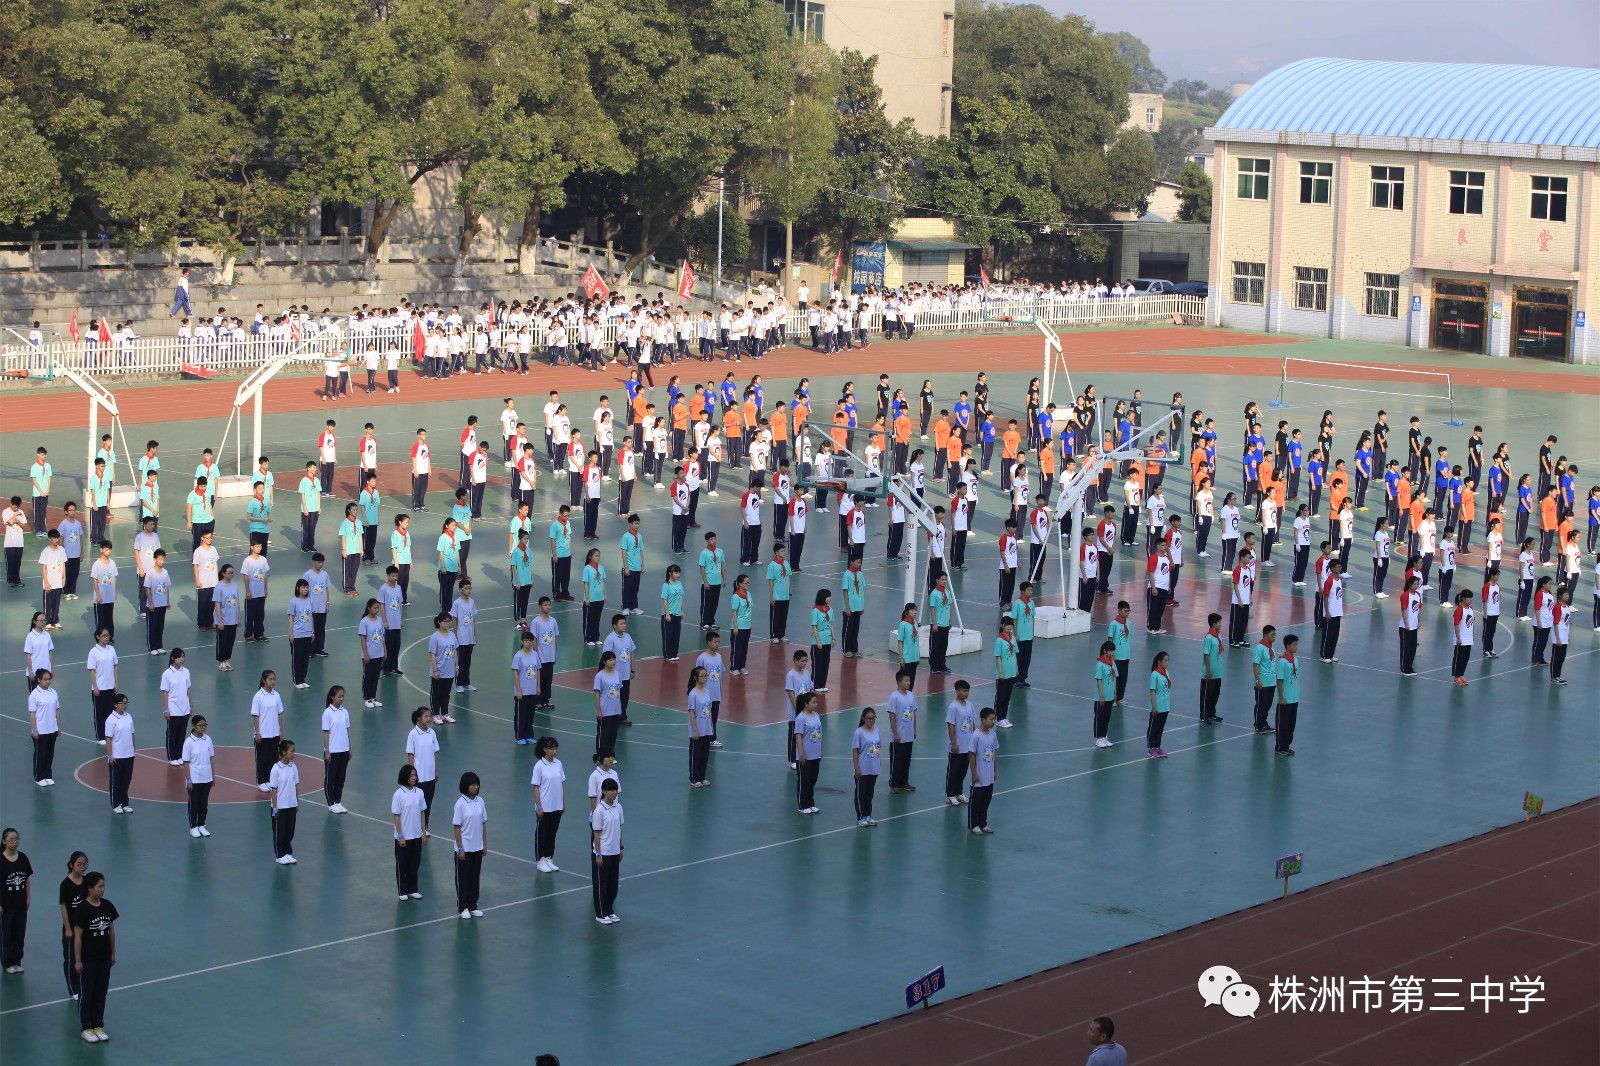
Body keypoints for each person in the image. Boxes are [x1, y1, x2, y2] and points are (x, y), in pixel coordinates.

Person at [72, 871, 118, 1043]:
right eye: (100, 886)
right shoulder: (82, 909)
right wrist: (77, 960)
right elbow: (77, 936)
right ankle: (86, 1028)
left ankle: (98, 1025)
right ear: (90, 889)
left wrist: (112, 953)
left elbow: (111, 930)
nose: (103, 889)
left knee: (101, 993)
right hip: (88, 959)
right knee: (87, 995)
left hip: (104, 958)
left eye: (103, 886)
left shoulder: (107, 906)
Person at [453, 771, 488, 919]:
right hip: (465, 848)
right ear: (465, 786)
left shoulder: (480, 801)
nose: (475, 787)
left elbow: (483, 823)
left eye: (476, 784)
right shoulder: (460, 804)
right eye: (472, 784)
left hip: (477, 847)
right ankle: (463, 907)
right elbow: (457, 827)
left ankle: (473, 905)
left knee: (474, 877)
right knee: (463, 878)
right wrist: (460, 848)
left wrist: (484, 844)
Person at [590, 778, 624, 924]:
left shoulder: (618, 807)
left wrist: (621, 847)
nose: (614, 792)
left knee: (613, 884)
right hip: (603, 852)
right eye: (611, 790)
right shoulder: (599, 811)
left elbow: (619, 829)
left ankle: (609, 910)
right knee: (601, 884)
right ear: (604, 791)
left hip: (614, 852)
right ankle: (600, 913)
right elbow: (596, 834)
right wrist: (598, 854)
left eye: (615, 790)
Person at [391, 764, 427, 899]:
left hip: (416, 835)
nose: (413, 778)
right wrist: (400, 836)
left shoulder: (420, 793)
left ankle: (413, 889)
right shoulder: (399, 794)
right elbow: (396, 815)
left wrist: (423, 832)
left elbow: (422, 813)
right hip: (403, 837)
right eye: (411, 775)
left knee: (415, 863)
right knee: (402, 864)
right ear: (405, 777)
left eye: (415, 775)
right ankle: (403, 890)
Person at [530, 737, 566, 873]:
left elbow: (561, 784)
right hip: (545, 807)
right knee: (542, 833)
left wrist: (564, 803)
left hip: (557, 806)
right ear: (544, 749)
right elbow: (536, 787)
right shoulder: (539, 766)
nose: (554, 751)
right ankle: (540, 860)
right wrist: (539, 806)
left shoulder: (558, 764)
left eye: (555, 748)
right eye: (551, 748)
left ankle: (549, 858)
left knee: (552, 833)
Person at [0, 828, 31, 974]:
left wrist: (27, 897)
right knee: (6, 935)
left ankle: (17, 961)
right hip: (5, 906)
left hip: (20, 905)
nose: (15, 842)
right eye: (11, 839)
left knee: (19, 934)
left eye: (17, 839)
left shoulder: (23, 858)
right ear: (4, 841)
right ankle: (7, 963)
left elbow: (26, 879)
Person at [967, 707, 1000, 834]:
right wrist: (974, 773)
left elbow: (994, 753)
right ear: (983, 719)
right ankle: (973, 824)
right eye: (991, 719)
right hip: (979, 776)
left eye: (994, 719)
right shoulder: (976, 736)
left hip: (989, 776)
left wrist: (995, 770)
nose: (993, 721)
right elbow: (971, 755)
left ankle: (983, 823)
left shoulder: (993, 735)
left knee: (986, 801)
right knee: (976, 802)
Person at [268, 739, 300, 864]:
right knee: (279, 832)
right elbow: (274, 790)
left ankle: (287, 853)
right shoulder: (276, 769)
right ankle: (279, 855)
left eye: (294, 751)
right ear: (283, 752)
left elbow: (296, 785)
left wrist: (296, 802)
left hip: (291, 805)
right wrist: (275, 807)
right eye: (291, 751)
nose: (294, 753)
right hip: (280, 806)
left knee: (289, 831)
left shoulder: (294, 767)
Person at [181, 716, 214, 837]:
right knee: (194, 803)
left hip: (206, 777)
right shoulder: (189, 742)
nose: (203, 727)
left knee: (203, 803)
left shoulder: (208, 739)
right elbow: (186, 762)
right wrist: (188, 780)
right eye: (201, 725)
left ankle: (202, 824)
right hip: (194, 778)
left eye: (205, 725)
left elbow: (211, 759)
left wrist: (213, 776)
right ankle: (193, 827)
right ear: (194, 726)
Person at [851, 708, 884, 827]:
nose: (871, 720)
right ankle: (860, 817)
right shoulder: (859, 733)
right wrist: (857, 768)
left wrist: (878, 762)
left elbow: (878, 748)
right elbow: (855, 751)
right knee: (861, 794)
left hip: (873, 768)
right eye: (869, 718)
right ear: (863, 718)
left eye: (873, 718)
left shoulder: (877, 731)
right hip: (863, 769)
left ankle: (868, 815)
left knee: (869, 793)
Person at [158, 648, 191, 764]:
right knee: (172, 734)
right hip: (173, 709)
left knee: (182, 733)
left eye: (183, 657)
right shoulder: (167, 674)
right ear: (173, 658)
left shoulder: (186, 671)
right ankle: (172, 756)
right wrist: (166, 709)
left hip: (185, 708)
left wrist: (190, 705)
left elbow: (188, 689)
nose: (182, 659)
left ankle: (180, 755)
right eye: (179, 657)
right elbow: (165, 693)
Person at [28, 667, 60, 786]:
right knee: (40, 753)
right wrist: (34, 729)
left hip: (52, 728)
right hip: (41, 730)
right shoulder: (34, 695)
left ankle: (48, 775)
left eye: (49, 679)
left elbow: (57, 711)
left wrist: (58, 727)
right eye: (45, 679)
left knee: (49, 753)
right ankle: (39, 776)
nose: (48, 681)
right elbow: (32, 714)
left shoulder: (54, 692)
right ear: (39, 680)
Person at [793, 691, 824, 814]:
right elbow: (798, 737)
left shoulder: (816, 715)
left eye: (816, 702)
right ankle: (802, 804)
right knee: (804, 781)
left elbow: (819, 733)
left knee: (812, 780)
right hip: (805, 755)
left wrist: (821, 749)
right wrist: (801, 753)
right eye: (813, 702)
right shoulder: (801, 718)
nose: (816, 704)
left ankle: (810, 803)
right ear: (806, 704)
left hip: (815, 754)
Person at [104, 694, 135, 812]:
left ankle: (124, 802)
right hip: (117, 756)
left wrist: (133, 750)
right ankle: (115, 804)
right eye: (122, 703)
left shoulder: (129, 717)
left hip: (129, 754)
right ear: (115, 704)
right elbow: (108, 739)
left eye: (126, 703)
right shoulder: (111, 720)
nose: (125, 705)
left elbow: (132, 734)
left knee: (126, 780)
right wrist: (110, 755)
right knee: (116, 781)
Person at [1273, 635, 1302, 755]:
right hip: (1285, 699)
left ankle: (1286, 745)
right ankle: (1280, 746)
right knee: (1283, 724)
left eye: (1297, 644)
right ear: (1288, 645)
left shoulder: (1296, 660)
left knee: (1291, 724)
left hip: (1294, 698)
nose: (1296, 647)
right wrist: (1281, 697)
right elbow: (1279, 680)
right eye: (1294, 644)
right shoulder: (1283, 662)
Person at [1200, 613, 1225, 724]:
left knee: (1215, 694)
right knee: (1207, 694)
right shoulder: (1209, 638)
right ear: (1213, 624)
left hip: (1218, 671)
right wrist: (1208, 670)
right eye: (1219, 622)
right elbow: (1206, 654)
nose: (1220, 624)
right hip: (1210, 672)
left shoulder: (1218, 635)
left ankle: (1212, 713)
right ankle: (1204, 715)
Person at [810, 589, 835, 692]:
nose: (829, 598)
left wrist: (833, 638)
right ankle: (815, 685)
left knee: (825, 663)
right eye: (827, 596)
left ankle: (822, 684)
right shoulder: (815, 610)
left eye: (830, 596)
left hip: (827, 641)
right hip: (818, 642)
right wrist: (818, 641)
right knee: (817, 664)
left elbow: (831, 625)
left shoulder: (830, 610)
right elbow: (814, 627)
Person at [1550, 587, 1573, 685]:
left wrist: (1567, 635)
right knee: (1556, 657)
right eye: (1565, 595)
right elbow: (1556, 623)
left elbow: (1567, 623)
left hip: (1564, 635)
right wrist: (1558, 637)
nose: (1568, 596)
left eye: (1568, 594)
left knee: (1562, 657)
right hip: (1558, 635)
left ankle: (1558, 675)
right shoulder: (1557, 607)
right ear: (1560, 596)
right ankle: (1554, 677)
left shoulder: (1567, 606)